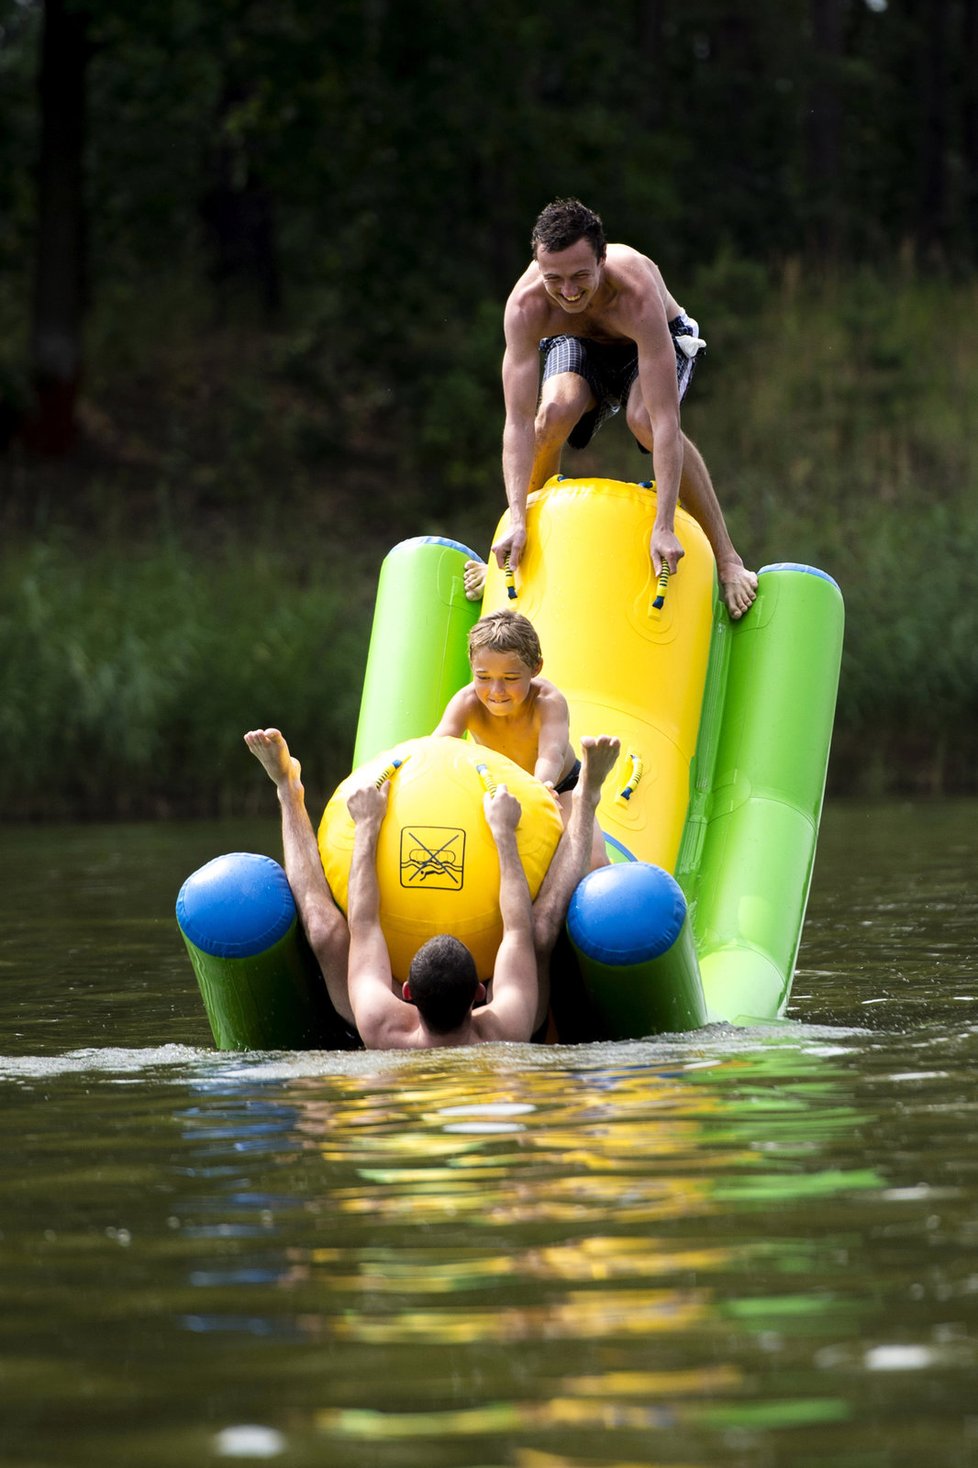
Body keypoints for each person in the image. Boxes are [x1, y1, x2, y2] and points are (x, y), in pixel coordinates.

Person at [465, 197, 757, 621]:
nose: (568, 291)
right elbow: (517, 424)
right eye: (554, 279)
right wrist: (514, 516)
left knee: (643, 423)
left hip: (650, 339)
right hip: (578, 342)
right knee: (552, 416)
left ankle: (729, 560)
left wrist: (663, 527)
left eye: (581, 276)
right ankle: (516, 544)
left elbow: (664, 421)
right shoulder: (527, 307)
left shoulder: (635, 293)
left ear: (602, 259)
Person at [244, 727, 620, 1050]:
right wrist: (504, 834)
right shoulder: (507, 1028)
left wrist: (367, 827)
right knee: (541, 930)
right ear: (481, 991)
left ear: (403, 991)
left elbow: (365, 923)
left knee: (323, 928)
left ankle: (287, 789)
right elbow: (517, 927)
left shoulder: (380, 1024)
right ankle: (587, 796)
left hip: (386, 1048)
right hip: (506, 1046)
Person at [433, 608, 608, 870]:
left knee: (593, 860)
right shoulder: (467, 702)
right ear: (472, 665)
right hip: (500, 790)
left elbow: (551, 754)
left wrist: (539, 787)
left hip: (559, 786)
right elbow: (437, 747)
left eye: (510, 678)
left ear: (535, 668)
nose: (496, 691)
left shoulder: (547, 702)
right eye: (483, 677)